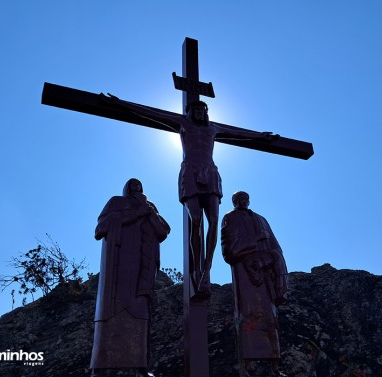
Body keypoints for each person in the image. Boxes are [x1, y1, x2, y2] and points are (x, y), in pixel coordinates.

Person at [101, 93, 277, 296]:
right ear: (190, 112)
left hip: (210, 174)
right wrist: (121, 103)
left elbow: (237, 132)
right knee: (195, 220)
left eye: (203, 110)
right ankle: (197, 268)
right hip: (189, 174)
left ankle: (206, 269)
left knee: (213, 221)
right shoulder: (182, 123)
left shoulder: (213, 128)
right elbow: (151, 113)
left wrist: (261, 136)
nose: (200, 112)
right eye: (196, 110)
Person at [90, 178, 170, 377]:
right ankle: (99, 368)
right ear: (126, 189)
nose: (137, 188)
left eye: (139, 186)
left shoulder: (150, 206)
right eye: (133, 185)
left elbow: (163, 231)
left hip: (142, 269)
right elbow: (101, 228)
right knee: (110, 312)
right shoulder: (116, 202)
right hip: (119, 267)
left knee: (141, 313)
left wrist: (148, 211)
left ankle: (140, 366)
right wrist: (135, 214)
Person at [221, 191, 288, 377]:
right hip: (245, 275)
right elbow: (229, 251)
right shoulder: (229, 218)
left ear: (249, 200)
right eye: (237, 199)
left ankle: (274, 367)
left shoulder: (261, 219)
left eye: (244, 198)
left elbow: (275, 246)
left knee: (270, 319)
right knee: (247, 317)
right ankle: (246, 367)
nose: (241, 201)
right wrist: (255, 239)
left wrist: (271, 260)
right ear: (233, 202)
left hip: (265, 273)